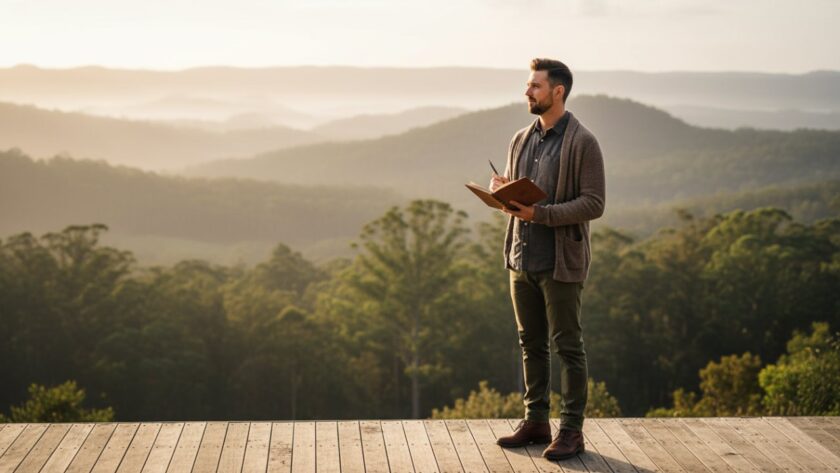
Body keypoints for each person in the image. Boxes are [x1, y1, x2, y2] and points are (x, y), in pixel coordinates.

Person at [492, 58, 606, 460]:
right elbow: (519, 198)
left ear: (558, 92)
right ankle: (536, 421)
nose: (527, 92)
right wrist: (502, 191)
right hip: (521, 257)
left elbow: (594, 203)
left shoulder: (583, 142)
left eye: (535, 86)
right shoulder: (519, 139)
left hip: (560, 262)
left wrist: (540, 214)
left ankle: (572, 431)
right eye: (528, 85)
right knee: (531, 344)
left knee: (568, 346)